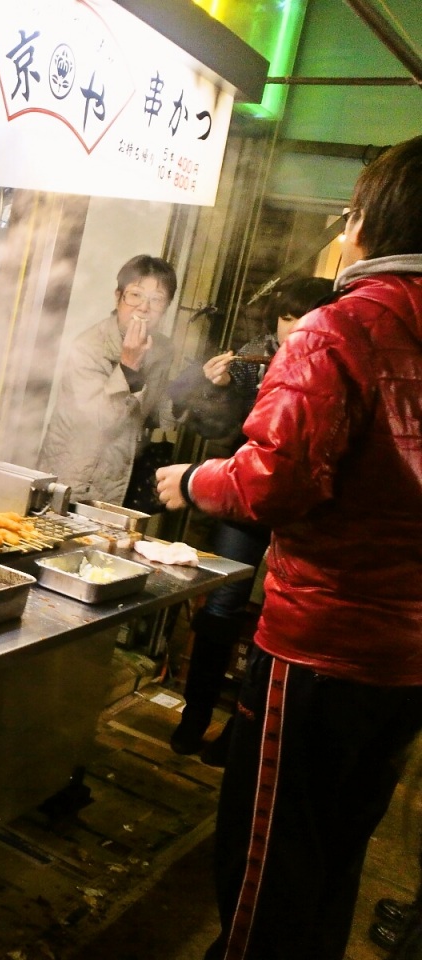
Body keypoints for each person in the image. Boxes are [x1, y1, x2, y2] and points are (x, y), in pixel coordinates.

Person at [155, 135, 422, 960]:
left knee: (269, 854)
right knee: (337, 848)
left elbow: (275, 482)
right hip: (407, 658)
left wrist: (194, 479)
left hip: (322, 644)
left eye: (350, 213)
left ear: (369, 222)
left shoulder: (341, 327)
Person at [166, 275, 334, 760]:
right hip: (242, 496)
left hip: (298, 506)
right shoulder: (253, 356)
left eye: (304, 317)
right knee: (222, 605)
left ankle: (241, 732)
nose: (292, 327)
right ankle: (194, 715)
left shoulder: (329, 360)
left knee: (274, 614)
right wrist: (215, 388)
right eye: (285, 317)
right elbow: (218, 429)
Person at [38, 255, 177, 505]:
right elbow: (98, 425)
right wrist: (129, 366)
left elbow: (158, 415)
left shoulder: (162, 349)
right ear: (118, 297)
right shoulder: (88, 347)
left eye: (156, 300)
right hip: (75, 479)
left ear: (165, 308)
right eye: (135, 295)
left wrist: (200, 387)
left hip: (121, 477)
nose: (144, 308)